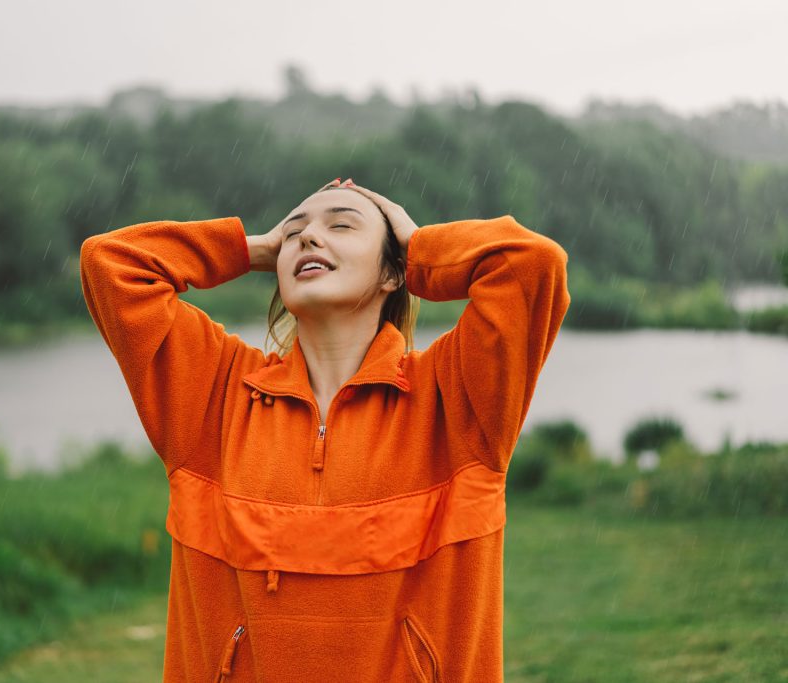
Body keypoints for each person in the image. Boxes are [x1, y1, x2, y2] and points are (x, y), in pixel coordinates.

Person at [79, 177, 571, 682]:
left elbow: (531, 266)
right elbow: (111, 263)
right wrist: (251, 249)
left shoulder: (457, 399)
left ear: (391, 273)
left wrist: (416, 246)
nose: (309, 238)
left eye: (341, 225)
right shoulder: (213, 394)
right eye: (295, 232)